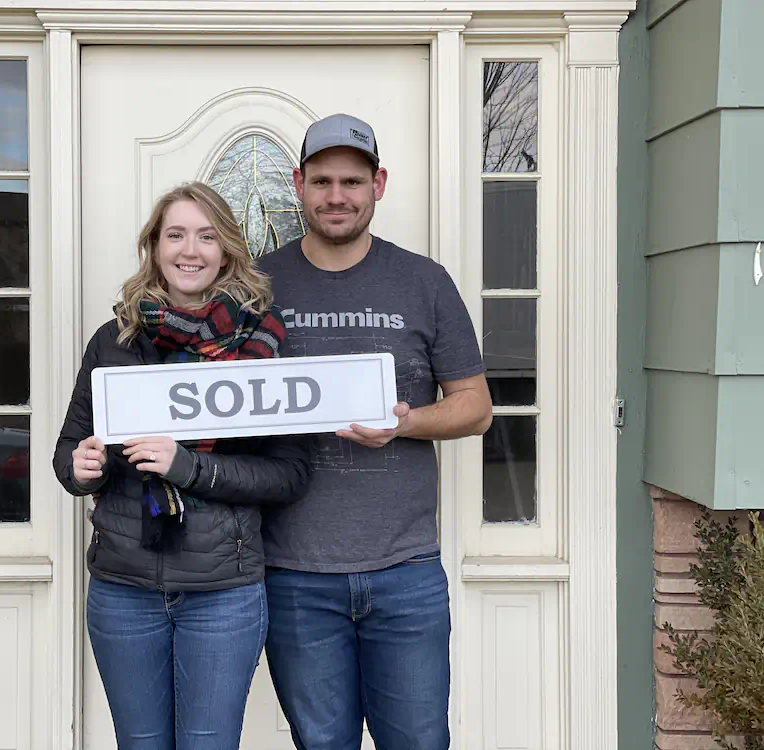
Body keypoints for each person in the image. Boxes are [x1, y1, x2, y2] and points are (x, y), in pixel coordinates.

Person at [257, 114, 493, 750]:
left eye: (352, 182)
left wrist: (408, 422)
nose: (337, 196)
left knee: (418, 742)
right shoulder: (255, 286)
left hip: (404, 571)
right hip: (293, 572)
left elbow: (476, 407)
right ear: (299, 185)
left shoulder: (424, 282)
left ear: (378, 185)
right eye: (322, 181)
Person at [54, 182, 311, 750]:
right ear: (154, 245)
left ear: (227, 250)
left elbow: (289, 475)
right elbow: (69, 448)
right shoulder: (115, 340)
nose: (189, 250)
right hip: (123, 589)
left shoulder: (261, 343)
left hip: (223, 593)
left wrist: (188, 467)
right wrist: (82, 467)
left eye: (206, 236)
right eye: (175, 235)